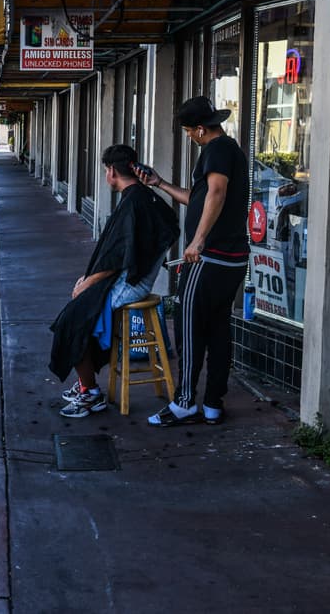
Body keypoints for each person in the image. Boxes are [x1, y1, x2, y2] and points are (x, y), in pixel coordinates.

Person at [140, 96, 249, 427]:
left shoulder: (216, 151)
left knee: (188, 327)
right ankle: (213, 404)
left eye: (189, 132)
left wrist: (198, 242)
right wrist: (160, 184)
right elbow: (200, 199)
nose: (189, 137)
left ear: (201, 129)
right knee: (217, 329)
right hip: (231, 258)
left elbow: (215, 193)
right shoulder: (230, 151)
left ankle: (185, 402)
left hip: (210, 258)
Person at [49, 144, 179, 418]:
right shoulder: (143, 197)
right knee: (79, 314)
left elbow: (118, 256)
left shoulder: (134, 202)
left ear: (111, 171)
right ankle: (88, 385)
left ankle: (90, 393)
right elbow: (159, 232)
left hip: (130, 283)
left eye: (105, 170)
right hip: (134, 278)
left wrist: (88, 282)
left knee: (71, 322)